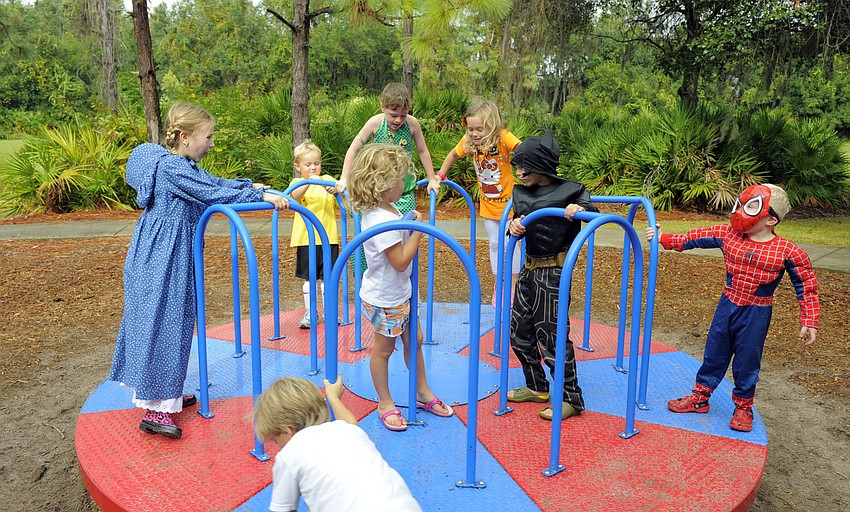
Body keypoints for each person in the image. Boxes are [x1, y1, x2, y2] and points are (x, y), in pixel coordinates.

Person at [108, 101, 289, 439]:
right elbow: (213, 192)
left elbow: (213, 182)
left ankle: (168, 394)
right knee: (163, 323)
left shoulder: (180, 165)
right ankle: (156, 408)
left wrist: (255, 187)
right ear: (185, 137)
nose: (212, 142)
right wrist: (255, 193)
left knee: (175, 322)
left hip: (166, 254)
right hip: (162, 259)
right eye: (209, 136)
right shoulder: (174, 169)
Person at [646, 183, 819, 432]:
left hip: (756, 312)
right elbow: (694, 238)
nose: (739, 212)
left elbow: (806, 285)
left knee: (747, 361)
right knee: (714, 351)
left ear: (771, 219)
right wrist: (663, 237)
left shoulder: (789, 252)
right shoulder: (728, 235)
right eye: (740, 204)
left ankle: (743, 407)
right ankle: (700, 398)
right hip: (728, 304)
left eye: (750, 207)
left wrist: (810, 319)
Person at [346, 143, 453, 431]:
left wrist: (409, 221)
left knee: (413, 340)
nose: (405, 185)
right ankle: (385, 403)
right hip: (385, 297)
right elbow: (401, 261)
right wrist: (420, 230)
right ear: (382, 184)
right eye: (401, 180)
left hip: (400, 293)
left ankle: (422, 392)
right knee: (383, 349)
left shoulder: (387, 209)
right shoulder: (378, 219)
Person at [504, 130, 598, 421]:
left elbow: (593, 213)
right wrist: (513, 225)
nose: (519, 172)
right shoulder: (521, 192)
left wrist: (579, 210)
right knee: (519, 333)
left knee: (552, 336)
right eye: (517, 167)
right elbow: (512, 221)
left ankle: (571, 398)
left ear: (541, 164)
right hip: (529, 270)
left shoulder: (571, 190)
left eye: (524, 166)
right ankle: (537, 385)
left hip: (554, 272)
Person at [253, 376, 422, 512]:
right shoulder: (347, 431)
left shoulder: (289, 455)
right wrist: (333, 397)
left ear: (288, 431)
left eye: (276, 440)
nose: (279, 447)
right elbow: (349, 420)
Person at [437, 99, 522, 307]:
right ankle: (498, 284)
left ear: (492, 125)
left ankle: (514, 285)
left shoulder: (502, 138)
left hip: (510, 204)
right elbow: (453, 154)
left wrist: (526, 172)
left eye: (479, 129)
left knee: (511, 243)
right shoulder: (468, 142)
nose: (474, 133)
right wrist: (440, 174)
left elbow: (522, 149)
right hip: (488, 204)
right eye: (471, 128)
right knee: (494, 243)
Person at [337, 82, 441, 210]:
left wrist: (431, 179)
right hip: (377, 191)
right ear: (382, 107)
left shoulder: (412, 124)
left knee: (406, 224)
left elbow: (423, 151)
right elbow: (353, 149)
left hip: (403, 190)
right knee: (375, 225)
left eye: (403, 115)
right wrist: (344, 178)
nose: (398, 120)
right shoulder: (375, 123)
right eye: (393, 115)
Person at [288, 140, 339, 329]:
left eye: (316, 164)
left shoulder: (327, 179)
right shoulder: (298, 182)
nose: (313, 168)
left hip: (328, 237)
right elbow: (293, 196)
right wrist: (309, 182)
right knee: (310, 278)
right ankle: (311, 313)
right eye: (308, 164)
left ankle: (329, 312)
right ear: (298, 166)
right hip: (306, 239)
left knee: (328, 277)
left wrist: (334, 190)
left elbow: (339, 199)